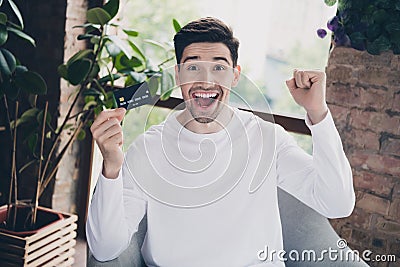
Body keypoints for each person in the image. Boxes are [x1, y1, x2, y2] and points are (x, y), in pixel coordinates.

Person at [86, 17, 355, 266]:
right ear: (178, 75)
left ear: (234, 76)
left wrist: (318, 115)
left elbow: (337, 204)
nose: (206, 80)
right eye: (193, 67)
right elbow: (105, 250)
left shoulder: (267, 138)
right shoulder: (147, 148)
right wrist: (111, 168)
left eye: (218, 67)